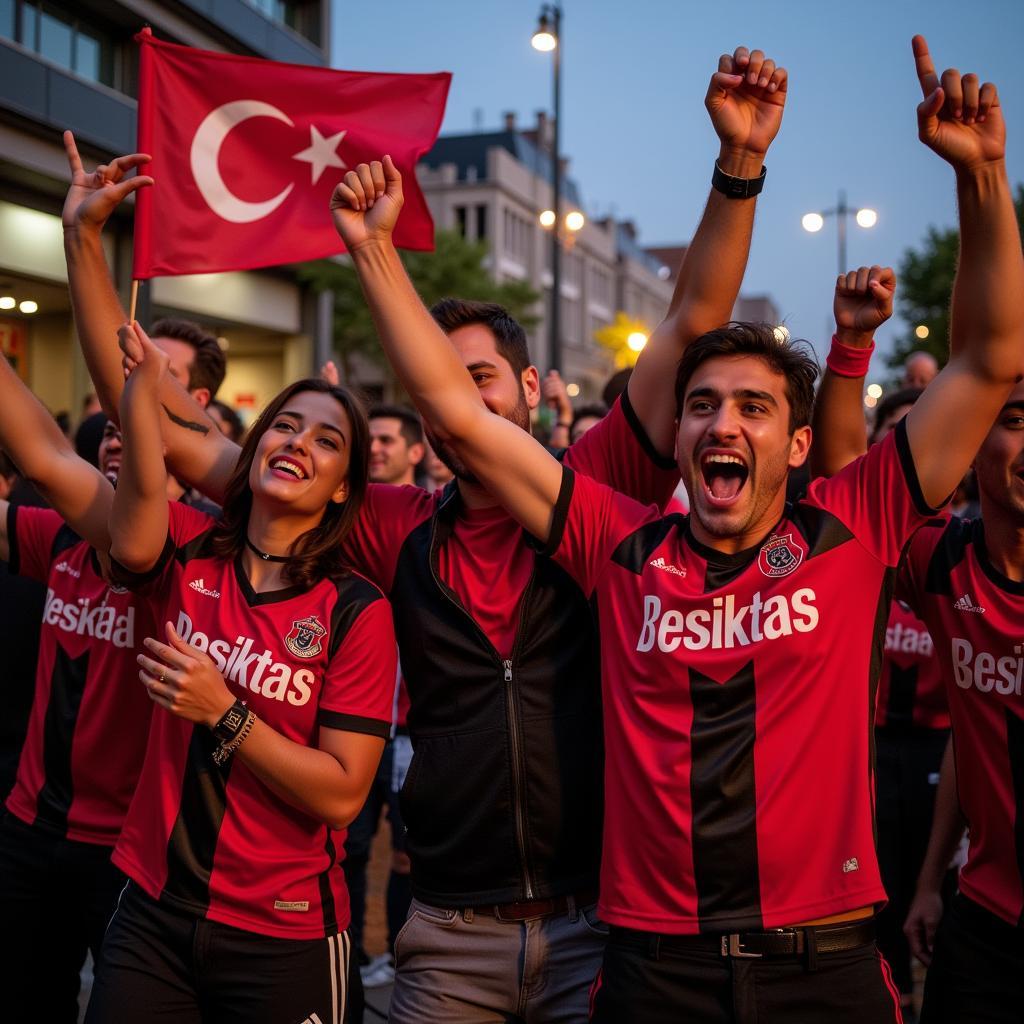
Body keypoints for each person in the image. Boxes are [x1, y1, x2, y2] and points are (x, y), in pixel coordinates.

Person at [66, 44, 786, 1022]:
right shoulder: (389, 525)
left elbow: (694, 313)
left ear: (531, 393)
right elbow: (161, 436)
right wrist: (84, 250)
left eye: (479, 380)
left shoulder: (599, 483)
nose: (454, 403)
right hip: (447, 933)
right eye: (435, 379)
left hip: (594, 925)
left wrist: (737, 166)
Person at [332, 32, 1022, 1022]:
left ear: (793, 445)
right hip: (657, 967)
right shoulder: (617, 542)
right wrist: (371, 250)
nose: (721, 422)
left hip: (824, 962)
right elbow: (455, 415)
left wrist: (984, 178)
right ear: (677, 432)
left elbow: (992, 356)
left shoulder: (853, 522)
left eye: (751, 407)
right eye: (701, 404)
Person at [85, 323, 396, 1023]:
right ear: (252, 452)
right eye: (284, 426)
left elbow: (345, 795)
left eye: (325, 440)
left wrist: (225, 712)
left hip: (283, 932)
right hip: (153, 908)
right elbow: (132, 531)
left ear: (345, 488)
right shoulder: (190, 547)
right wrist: (142, 388)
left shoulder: (357, 610)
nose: (297, 443)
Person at [0, 353, 154, 1023]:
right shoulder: (56, 539)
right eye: (109, 430)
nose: (118, 439)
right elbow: (37, 464)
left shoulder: (190, 565)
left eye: (137, 430)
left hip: (126, 848)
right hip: (28, 826)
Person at [811, 276, 948, 1020]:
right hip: (866, 748)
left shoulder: (951, 548)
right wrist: (854, 345)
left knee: (930, 907)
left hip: (937, 750)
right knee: (883, 912)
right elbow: (842, 467)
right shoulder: (859, 534)